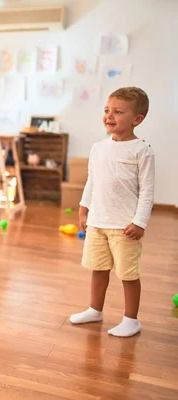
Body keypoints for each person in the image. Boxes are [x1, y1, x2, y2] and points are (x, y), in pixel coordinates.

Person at [69, 86, 155, 338]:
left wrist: (140, 222)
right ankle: (95, 309)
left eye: (118, 112)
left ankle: (131, 319)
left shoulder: (142, 151)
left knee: (128, 274)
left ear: (137, 119)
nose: (109, 116)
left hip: (124, 226)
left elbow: (147, 191)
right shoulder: (98, 148)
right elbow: (92, 181)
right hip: (98, 222)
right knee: (98, 268)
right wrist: (84, 209)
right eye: (107, 110)